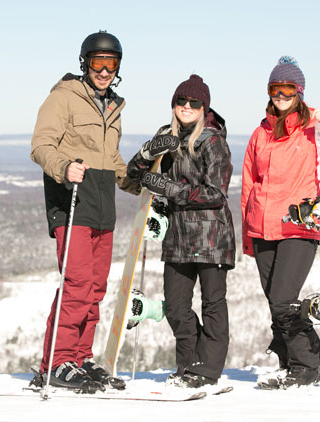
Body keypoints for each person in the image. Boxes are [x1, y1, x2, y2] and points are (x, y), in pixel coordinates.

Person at [29, 31, 140, 393]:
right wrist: (63, 167)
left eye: (112, 64)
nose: (105, 71)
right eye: (98, 62)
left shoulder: (112, 107)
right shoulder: (64, 98)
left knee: (94, 289)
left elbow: (114, 163)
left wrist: (141, 183)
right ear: (85, 62)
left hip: (101, 206)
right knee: (76, 285)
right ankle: (56, 362)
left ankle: (78, 357)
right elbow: (41, 145)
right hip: (71, 203)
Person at [241, 56, 320, 389]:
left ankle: (306, 367)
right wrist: (247, 234)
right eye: (275, 88)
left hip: (298, 226)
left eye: (287, 87)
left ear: (299, 91)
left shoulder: (314, 130)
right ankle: (294, 360)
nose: (281, 94)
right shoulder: (260, 133)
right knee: (276, 303)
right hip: (262, 227)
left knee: (282, 298)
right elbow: (249, 184)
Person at [128, 74, 236, 388]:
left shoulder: (212, 140)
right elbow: (134, 176)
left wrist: (171, 189)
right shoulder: (166, 135)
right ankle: (189, 363)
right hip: (177, 235)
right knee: (175, 307)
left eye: (194, 102)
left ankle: (206, 368)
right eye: (181, 101)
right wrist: (148, 153)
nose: (186, 107)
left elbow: (216, 193)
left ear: (204, 107)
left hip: (211, 235)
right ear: (173, 104)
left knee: (212, 303)